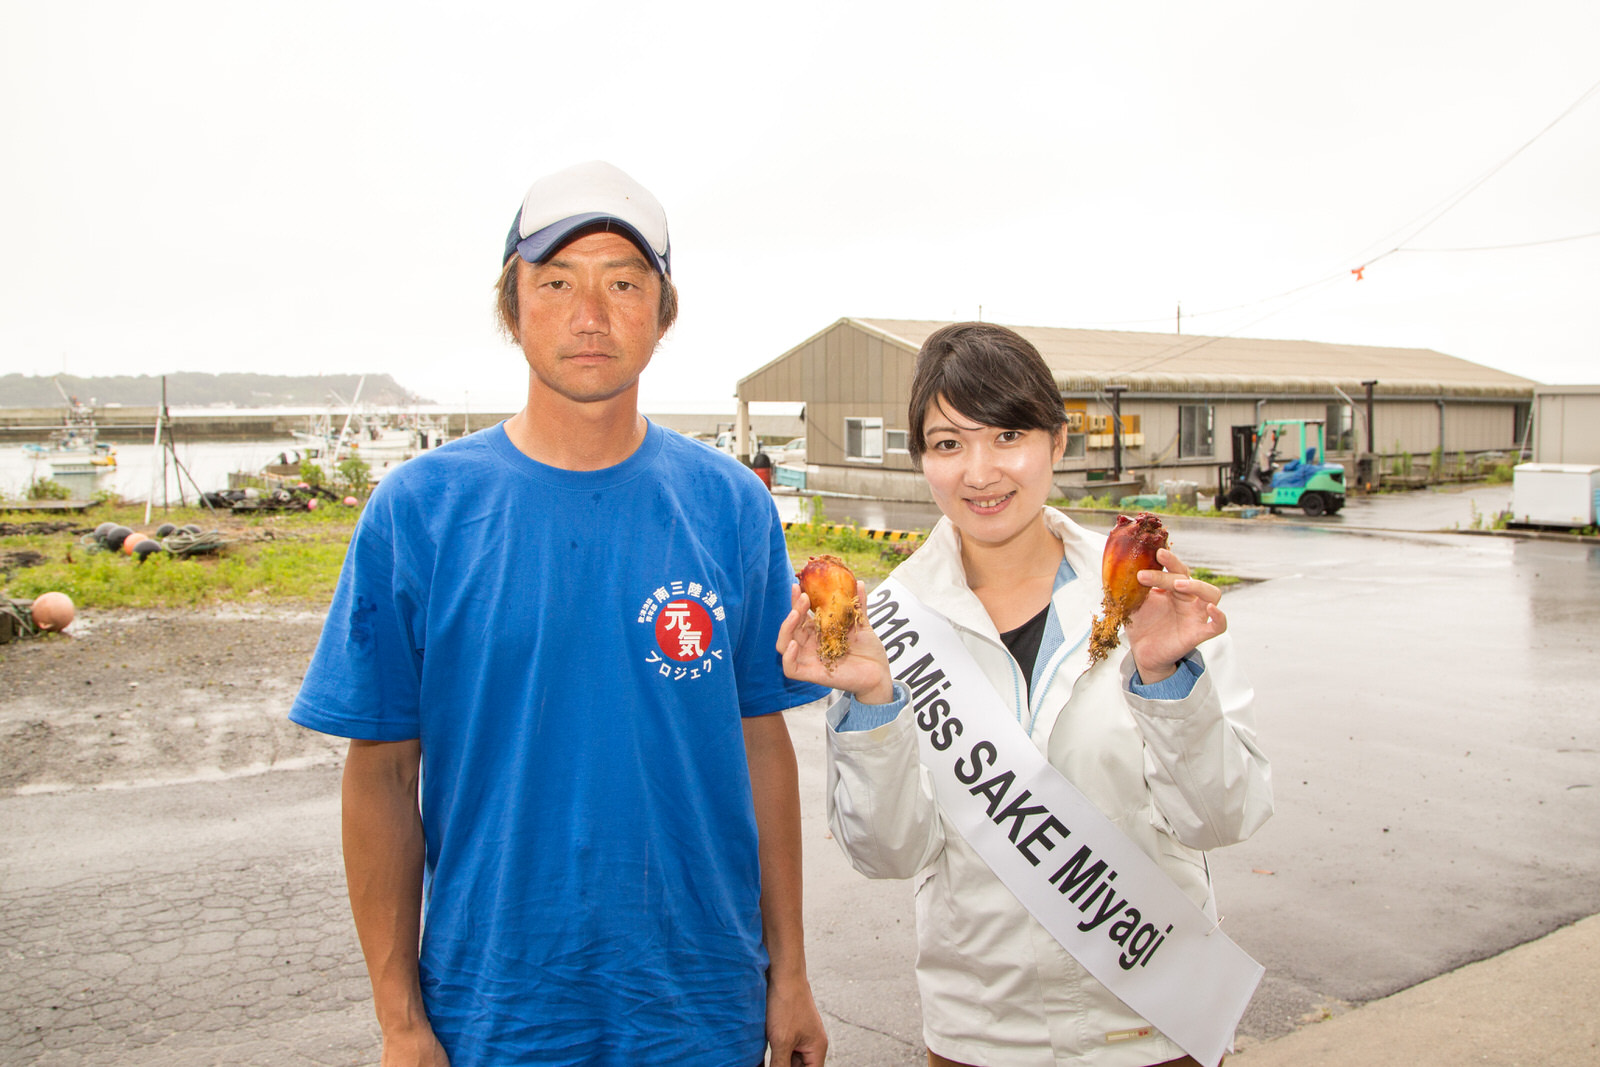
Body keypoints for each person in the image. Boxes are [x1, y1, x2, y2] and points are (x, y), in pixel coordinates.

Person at [291, 160, 831, 1067]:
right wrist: (399, 1018)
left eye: (624, 283)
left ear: (663, 312)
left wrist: (792, 975)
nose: (590, 314)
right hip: (493, 1013)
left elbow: (760, 748)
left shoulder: (731, 505)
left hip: (702, 1006)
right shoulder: (419, 510)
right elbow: (381, 773)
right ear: (512, 307)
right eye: (556, 282)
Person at [778, 322, 1272, 1067]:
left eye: (1007, 435)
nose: (980, 472)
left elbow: (1224, 817)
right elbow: (887, 854)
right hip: (981, 1036)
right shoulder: (890, 626)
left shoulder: (1148, 594)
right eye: (949, 443)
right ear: (921, 459)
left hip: (1157, 1026)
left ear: (1057, 441)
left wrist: (1168, 679)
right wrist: (875, 701)